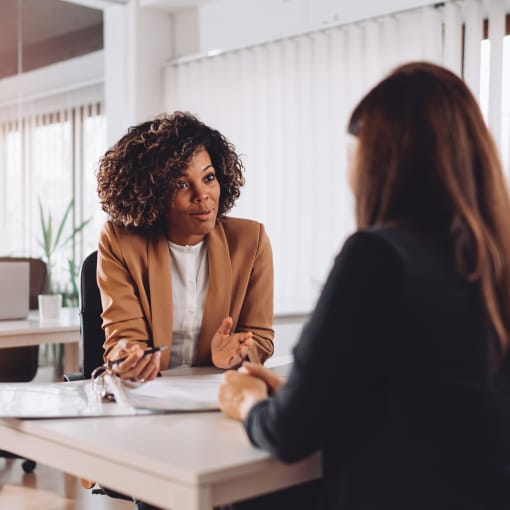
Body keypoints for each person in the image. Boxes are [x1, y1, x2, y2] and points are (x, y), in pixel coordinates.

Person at [219, 61, 510, 510]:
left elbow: (289, 433)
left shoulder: (378, 257)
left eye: (352, 149)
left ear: (381, 158)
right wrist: (300, 393)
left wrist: (249, 403)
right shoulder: (492, 260)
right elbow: (425, 396)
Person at [95, 111, 274, 381]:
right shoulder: (120, 242)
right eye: (181, 184)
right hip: (149, 395)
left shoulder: (250, 241)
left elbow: (260, 338)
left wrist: (238, 353)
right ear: (151, 192)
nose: (202, 195)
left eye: (209, 178)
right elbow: (122, 338)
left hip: (215, 397)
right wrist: (128, 355)